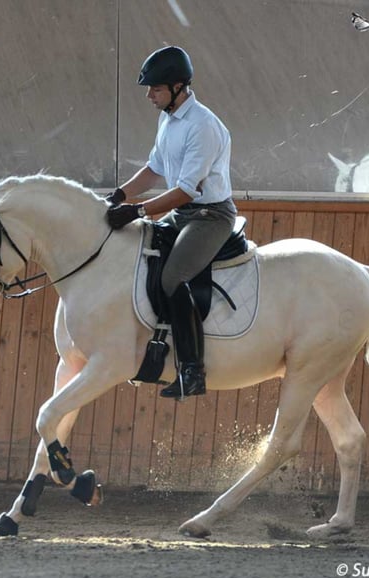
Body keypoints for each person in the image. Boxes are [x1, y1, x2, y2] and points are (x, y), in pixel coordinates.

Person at [105, 46, 237, 399]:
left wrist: (137, 211)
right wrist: (119, 195)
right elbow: (154, 170)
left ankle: (192, 371)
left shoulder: (203, 126)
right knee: (136, 251)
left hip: (210, 216)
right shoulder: (168, 118)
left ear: (179, 87)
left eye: (156, 89)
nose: (149, 96)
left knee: (173, 276)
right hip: (183, 213)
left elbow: (186, 191)